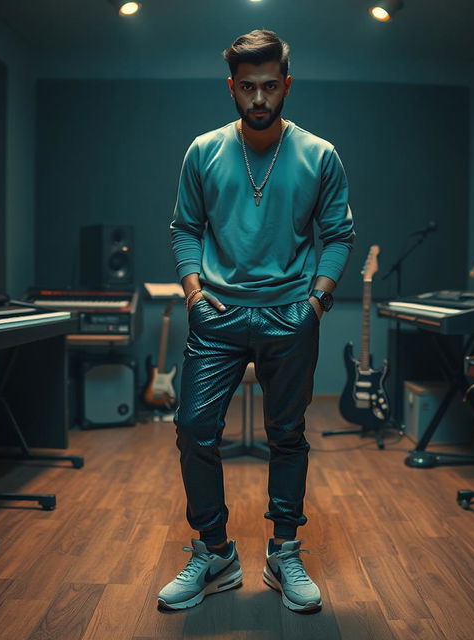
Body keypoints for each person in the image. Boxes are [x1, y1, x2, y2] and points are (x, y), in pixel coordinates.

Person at [158, 29, 355, 613]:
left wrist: (315, 304)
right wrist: (193, 293)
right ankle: (214, 552)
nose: (259, 99)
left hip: (290, 315)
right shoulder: (204, 150)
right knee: (194, 427)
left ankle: (283, 550)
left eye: (270, 86)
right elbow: (184, 227)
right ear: (232, 88)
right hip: (215, 315)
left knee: (288, 435)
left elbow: (339, 235)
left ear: (287, 84)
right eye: (248, 88)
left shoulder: (320, 154)